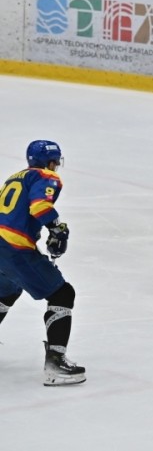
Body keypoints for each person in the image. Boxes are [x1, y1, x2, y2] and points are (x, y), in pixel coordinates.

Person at [0, 140, 85, 386]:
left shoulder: (15, 177)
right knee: (62, 294)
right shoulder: (46, 176)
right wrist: (58, 229)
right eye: (55, 161)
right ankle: (55, 365)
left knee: (7, 291)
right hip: (13, 247)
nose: (56, 166)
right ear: (51, 161)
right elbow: (40, 206)